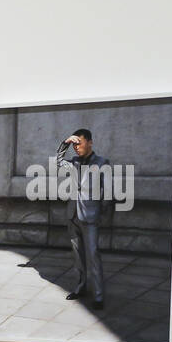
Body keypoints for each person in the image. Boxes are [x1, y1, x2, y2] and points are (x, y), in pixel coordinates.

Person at [55, 128, 111, 309]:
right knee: (78, 256)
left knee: (93, 255)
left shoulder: (102, 163)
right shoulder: (72, 163)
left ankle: (99, 295)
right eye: (75, 144)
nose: (76, 147)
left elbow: (107, 193)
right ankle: (80, 287)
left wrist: (101, 214)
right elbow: (58, 161)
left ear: (90, 142)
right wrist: (65, 143)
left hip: (90, 217)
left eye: (79, 143)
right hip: (72, 215)